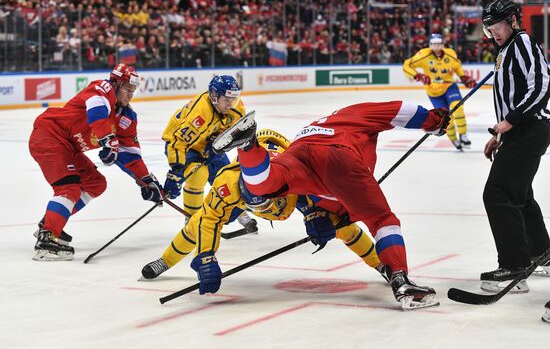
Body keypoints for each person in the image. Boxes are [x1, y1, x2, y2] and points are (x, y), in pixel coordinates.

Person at [213, 101, 450, 310]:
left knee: (266, 185)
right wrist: (433, 121)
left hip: (301, 148)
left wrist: (317, 213)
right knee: (381, 220)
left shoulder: (321, 122)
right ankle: (401, 280)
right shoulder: (356, 113)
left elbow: (325, 190)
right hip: (338, 154)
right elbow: (402, 109)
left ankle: (247, 146)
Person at [142, 129, 388, 289]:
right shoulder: (228, 184)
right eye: (256, 205)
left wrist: (318, 213)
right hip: (260, 183)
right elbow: (209, 221)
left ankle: (381, 264)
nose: (264, 209)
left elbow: (328, 191)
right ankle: (165, 260)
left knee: (342, 226)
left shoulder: (293, 173)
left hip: (289, 185)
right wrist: (206, 257)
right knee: (198, 222)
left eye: (266, 202)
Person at [28, 63, 163, 261]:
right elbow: (97, 114)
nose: (130, 95)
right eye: (127, 89)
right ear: (116, 84)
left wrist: (146, 180)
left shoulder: (127, 118)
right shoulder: (103, 88)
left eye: (133, 90)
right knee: (69, 188)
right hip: (50, 135)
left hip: (68, 147)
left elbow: (131, 156)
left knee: (95, 183)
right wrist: (108, 140)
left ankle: (51, 222)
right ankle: (46, 239)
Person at [479, 0, 550, 296]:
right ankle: (542, 252)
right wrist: (501, 133)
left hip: (530, 128)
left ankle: (514, 265)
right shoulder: (506, 49)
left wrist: (511, 121)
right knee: (519, 193)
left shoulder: (521, 43)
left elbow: (543, 85)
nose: (493, 34)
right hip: (521, 131)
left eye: (496, 27)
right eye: (488, 30)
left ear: (512, 21)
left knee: (497, 193)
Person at [161, 75, 257, 234]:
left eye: (233, 99)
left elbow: (236, 132)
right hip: (185, 146)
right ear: (214, 95)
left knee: (228, 178)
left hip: (211, 145)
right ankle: (191, 222)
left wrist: (219, 148)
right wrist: (176, 171)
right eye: (226, 99)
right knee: (198, 175)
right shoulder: (200, 112)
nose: (230, 104)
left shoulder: (236, 107)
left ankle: (239, 213)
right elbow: (179, 142)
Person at [403, 33, 477, 150]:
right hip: (434, 93)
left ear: (443, 44)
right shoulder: (423, 54)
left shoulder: (450, 53)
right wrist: (417, 75)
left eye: (439, 44)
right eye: (434, 44)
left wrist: (463, 77)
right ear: (430, 45)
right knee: (446, 119)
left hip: (449, 86)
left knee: (457, 108)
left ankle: (463, 135)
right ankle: (454, 139)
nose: (436, 47)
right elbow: (407, 65)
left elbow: (457, 66)